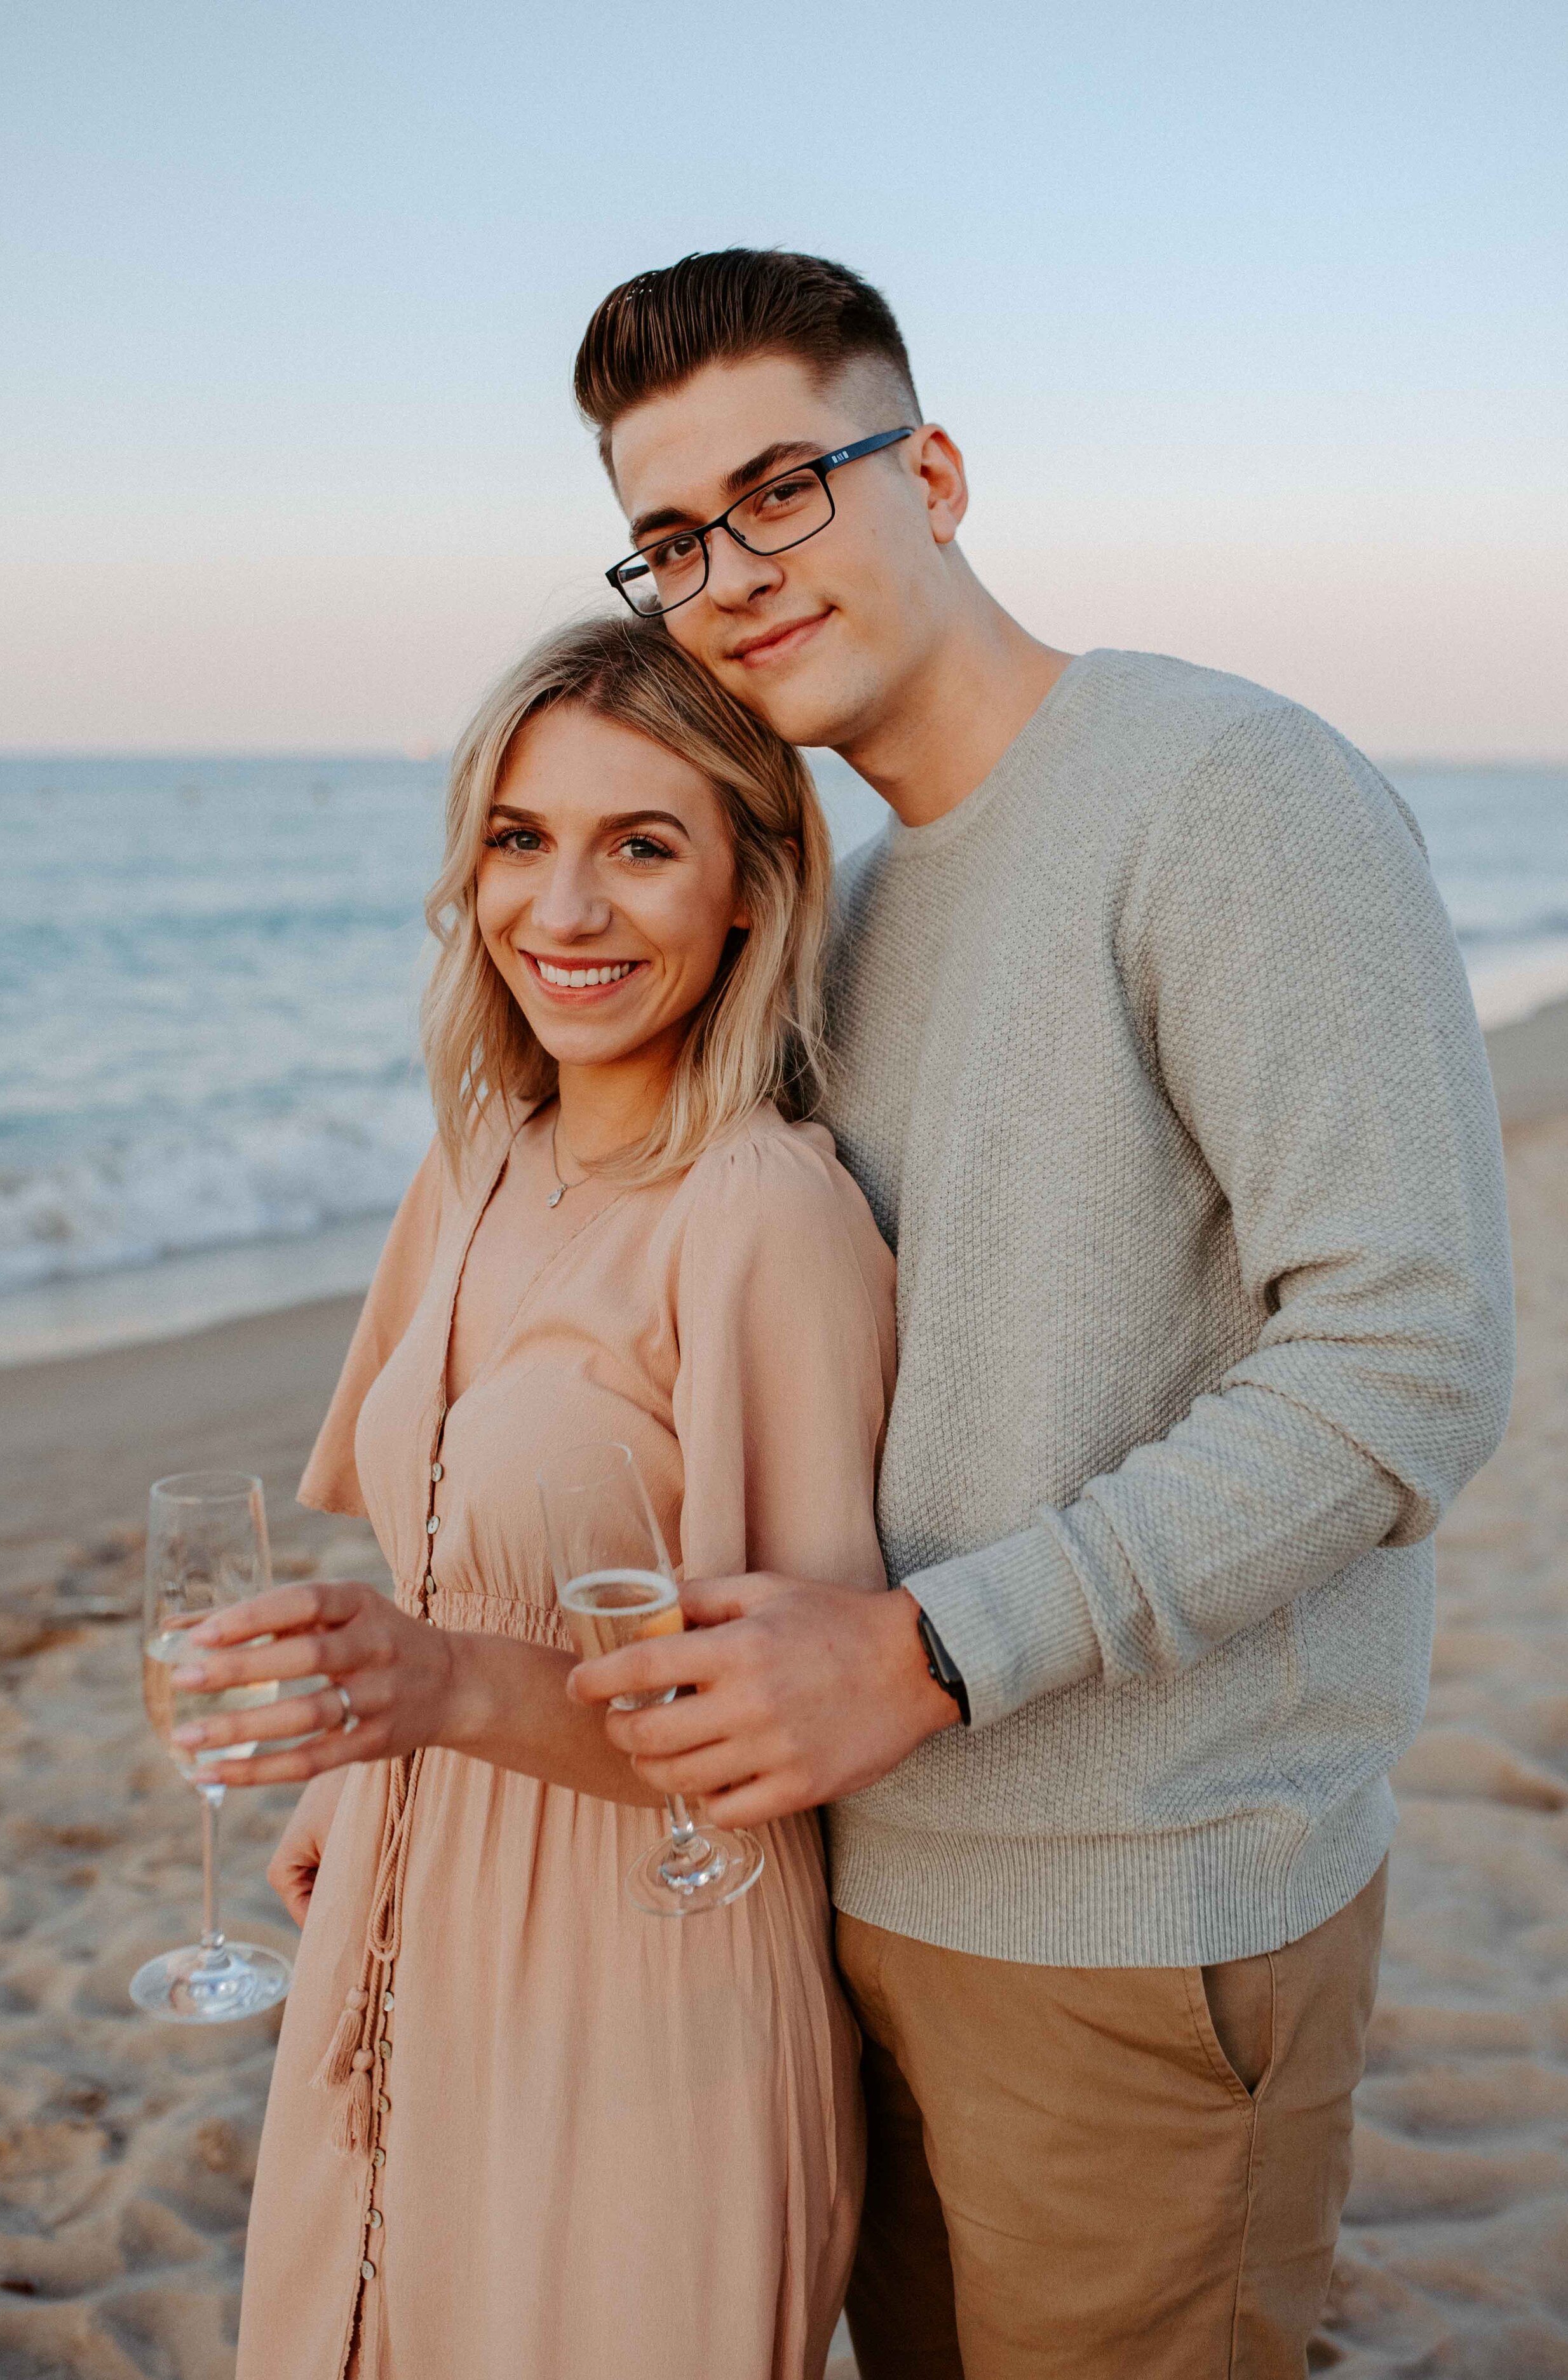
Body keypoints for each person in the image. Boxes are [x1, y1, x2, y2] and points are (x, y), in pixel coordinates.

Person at [563, 249, 1517, 2377]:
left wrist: (928, 1651)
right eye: (670, 540)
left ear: (940, 473)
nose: (731, 569)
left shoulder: (1223, 791)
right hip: (869, 1885)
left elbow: (1408, 1361)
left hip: (1143, 1916)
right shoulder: (862, 899)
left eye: (784, 484)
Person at [173, 615, 896, 2380]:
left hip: (647, 1994)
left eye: (639, 846)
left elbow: (794, 1738)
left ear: (748, 887)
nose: (561, 911)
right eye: (520, 838)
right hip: (397, 1937)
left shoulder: (764, 1217)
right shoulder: (477, 1157)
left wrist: (431, 1690)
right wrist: (369, 1751)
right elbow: (435, 1549)